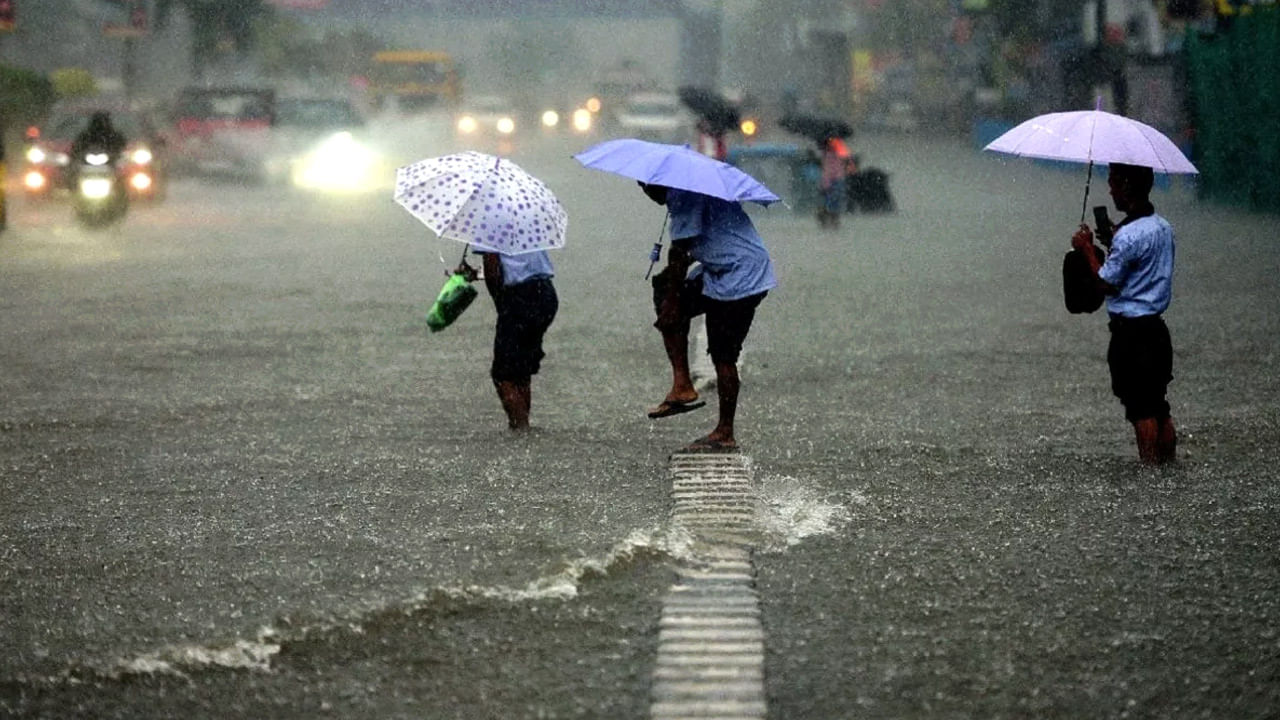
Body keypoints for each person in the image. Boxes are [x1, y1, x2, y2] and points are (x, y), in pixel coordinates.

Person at [640, 181, 776, 452]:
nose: (646, 193)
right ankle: (682, 384)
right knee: (665, 289)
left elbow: (680, 251)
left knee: (723, 353)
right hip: (721, 267)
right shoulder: (690, 190)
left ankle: (725, 431)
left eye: (646, 187)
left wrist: (673, 303)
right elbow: (697, 243)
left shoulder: (684, 195)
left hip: (741, 276)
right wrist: (671, 294)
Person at [1071, 162, 1177, 464]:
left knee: (1140, 409)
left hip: (1131, 334)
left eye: (1114, 181)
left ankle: (1150, 476)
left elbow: (1106, 283)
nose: (1110, 188)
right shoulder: (1162, 227)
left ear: (1128, 186)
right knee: (1159, 406)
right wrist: (1114, 241)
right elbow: (1141, 263)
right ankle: (1168, 469)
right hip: (1157, 331)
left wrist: (1087, 250)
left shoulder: (1128, 237)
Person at [456, 248, 558, 431]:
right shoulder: (529, 220)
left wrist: (502, 304)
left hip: (520, 299)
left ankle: (521, 430)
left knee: (503, 375)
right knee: (521, 371)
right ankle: (523, 426)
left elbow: (493, 268)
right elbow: (520, 267)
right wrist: (476, 274)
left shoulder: (491, 223)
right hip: (546, 295)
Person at [817, 136, 851, 228]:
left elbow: (828, 171)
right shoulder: (833, 155)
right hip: (834, 181)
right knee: (833, 203)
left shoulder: (830, 155)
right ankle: (833, 221)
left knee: (831, 203)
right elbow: (830, 171)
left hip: (833, 181)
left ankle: (830, 221)